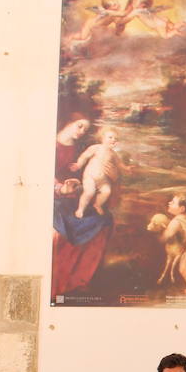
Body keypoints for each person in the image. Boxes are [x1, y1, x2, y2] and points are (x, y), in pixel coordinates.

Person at [51, 114, 113, 301]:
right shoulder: (50, 145)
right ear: (67, 122)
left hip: (73, 198)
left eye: (85, 129)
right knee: (62, 231)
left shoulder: (80, 148)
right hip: (53, 199)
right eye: (79, 126)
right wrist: (61, 188)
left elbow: (86, 174)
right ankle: (60, 284)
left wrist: (77, 184)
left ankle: (79, 280)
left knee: (104, 219)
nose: (81, 132)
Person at [70, 128, 131, 219]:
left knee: (107, 191)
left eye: (116, 138)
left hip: (103, 179)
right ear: (102, 138)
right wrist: (79, 164)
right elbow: (84, 156)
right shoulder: (96, 148)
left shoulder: (113, 154)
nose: (113, 140)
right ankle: (80, 209)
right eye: (110, 137)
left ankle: (97, 205)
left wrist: (126, 168)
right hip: (90, 177)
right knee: (89, 192)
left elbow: (119, 164)